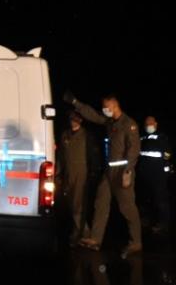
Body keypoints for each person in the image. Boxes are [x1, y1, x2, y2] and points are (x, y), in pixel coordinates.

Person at [64, 91, 143, 257]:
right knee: (100, 202)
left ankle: (136, 242)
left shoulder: (129, 124)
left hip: (122, 171)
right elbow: (93, 115)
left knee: (127, 208)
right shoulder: (109, 122)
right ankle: (95, 239)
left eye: (106, 107)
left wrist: (128, 170)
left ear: (114, 105)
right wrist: (76, 102)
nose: (104, 110)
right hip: (109, 171)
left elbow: (134, 150)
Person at [57, 111, 101, 244]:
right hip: (68, 173)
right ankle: (82, 230)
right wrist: (58, 173)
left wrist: (93, 173)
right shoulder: (65, 135)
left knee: (79, 204)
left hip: (82, 173)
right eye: (71, 118)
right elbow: (61, 156)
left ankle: (81, 232)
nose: (73, 121)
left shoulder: (87, 135)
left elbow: (93, 155)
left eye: (76, 119)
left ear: (81, 120)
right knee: (71, 203)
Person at [138, 116, 173, 234]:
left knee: (160, 199)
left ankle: (163, 224)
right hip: (144, 174)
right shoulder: (142, 137)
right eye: (147, 123)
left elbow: (167, 153)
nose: (149, 125)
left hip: (158, 174)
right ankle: (146, 220)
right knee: (145, 199)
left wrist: (165, 166)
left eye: (151, 123)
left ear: (156, 124)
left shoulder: (161, 137)